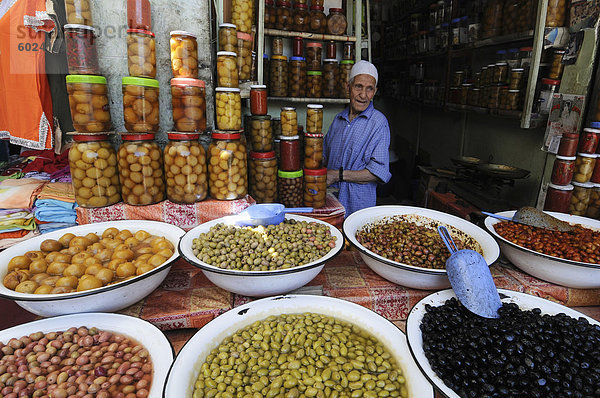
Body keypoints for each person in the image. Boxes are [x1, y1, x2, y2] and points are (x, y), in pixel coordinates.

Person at [323, 60, 391, 216]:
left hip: (357, 208)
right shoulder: (338, 120)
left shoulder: (378, 123)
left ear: (375, 92)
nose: (363, 95)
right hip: (330, 204)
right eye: (358, 87)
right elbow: (324, 157)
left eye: (369, 89)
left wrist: (337, 175)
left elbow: (377, 172)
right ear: (348, 87)